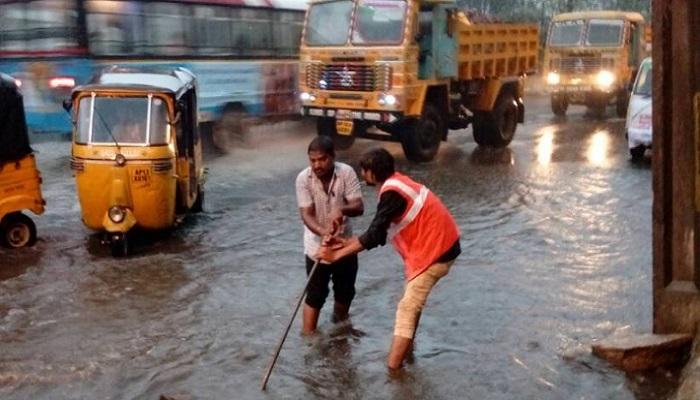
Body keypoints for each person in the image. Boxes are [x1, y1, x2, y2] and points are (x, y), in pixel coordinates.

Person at [317, 147, 461, 370]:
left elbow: (374, 236)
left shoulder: (392, 192)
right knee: (412, 304)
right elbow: (378, 232)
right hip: (441, 247)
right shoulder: (396, 184)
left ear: (372, 173)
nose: (363, 176)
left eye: (364, 172)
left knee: (407, 307)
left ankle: (393, 371)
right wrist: (344, 244)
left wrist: (335, 255)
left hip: (436, 252)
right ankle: (407, 352)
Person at [295, 136, 364, 335]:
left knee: (345, 292)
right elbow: (306, 214)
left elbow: (359, 206)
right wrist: (324, 232)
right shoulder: (303, 179)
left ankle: (340, 329)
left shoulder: (346, 173)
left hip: (345, 245)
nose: (317, 165)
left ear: (333, 157)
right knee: (315, 295)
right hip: (317, 247)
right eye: (313, 160)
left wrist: (342, 209)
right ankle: (309, 338)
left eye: (322, 159)